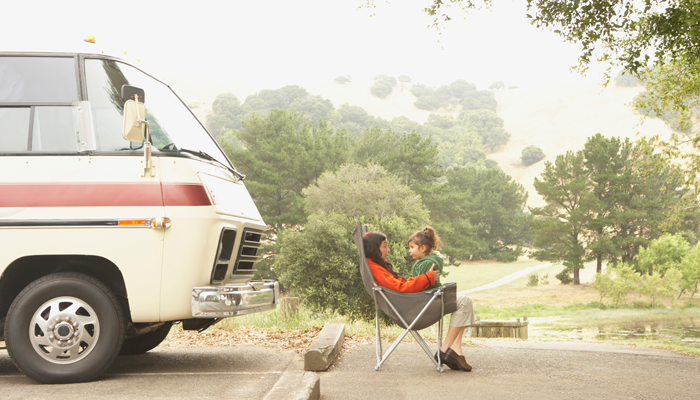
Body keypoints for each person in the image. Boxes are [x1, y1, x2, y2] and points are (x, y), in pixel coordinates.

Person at [406, 226, 475, 372]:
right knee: (465, 302)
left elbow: (420, 284)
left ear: (423, 248)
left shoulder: (425, 263)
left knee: (465, 302)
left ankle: (455, 350)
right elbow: (421, 284)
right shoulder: (428, 261)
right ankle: (446, 350)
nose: (410, 251)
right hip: (430, 302)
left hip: (430, 300)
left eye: (412, 247)